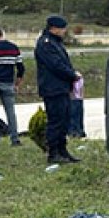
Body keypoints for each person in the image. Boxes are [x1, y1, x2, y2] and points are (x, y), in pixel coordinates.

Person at [36, 15, 82, 164]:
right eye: (62, 28)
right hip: (53, 88)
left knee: (64, 120)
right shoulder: (46, 44)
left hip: (61, 87)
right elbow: (56, 65)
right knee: (56, 121)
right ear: (53, 28)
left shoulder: (56, 43)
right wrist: (72, 75)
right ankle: (53, 152)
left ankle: (63, 150)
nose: (64, 31)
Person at [67, 73, 86, 138]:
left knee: (77, 116)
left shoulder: (78, 76)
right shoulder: (76, 76)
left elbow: (81, 89)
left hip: (77, 99)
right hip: (75, 99)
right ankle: (76, 131)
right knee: (75, 116)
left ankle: (77, 131)